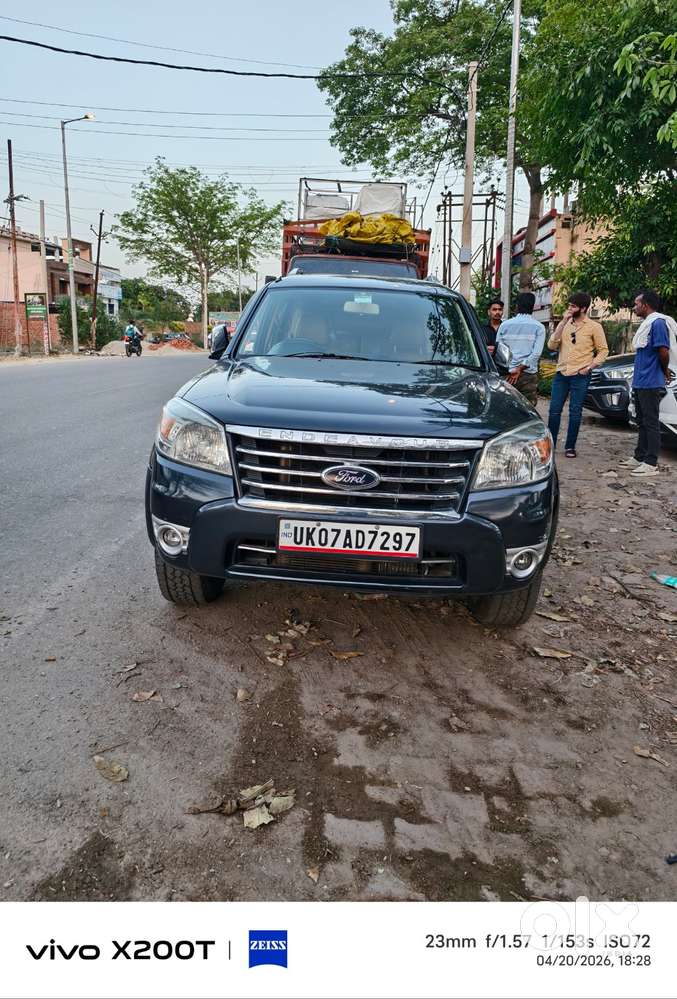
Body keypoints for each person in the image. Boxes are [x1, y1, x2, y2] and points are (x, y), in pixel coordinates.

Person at [619, 289, 676, 478]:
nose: (634, 307)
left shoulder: (657, 323)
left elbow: (663, 350)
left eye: (636, 304)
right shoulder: (647, 323)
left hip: (651, 381)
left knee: (651, 422)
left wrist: (665, 370)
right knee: (642, 421)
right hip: (641, 381)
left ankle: (651, 462)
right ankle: (639, 457)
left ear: (645, 305)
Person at [546, 292, 609, 458]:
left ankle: (570, 446)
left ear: (583, 308)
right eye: (569, 305)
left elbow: (603, 351)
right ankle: (550, 445)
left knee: (575, 412)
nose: (569, 308)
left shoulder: (594, 327)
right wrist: (562, 323)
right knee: (554, 410)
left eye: (573, 306)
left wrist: (589, 367)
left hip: (581, 375)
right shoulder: (565, 324)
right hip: (562, 373)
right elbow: (551, 346)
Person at [494, 291, 545, 406]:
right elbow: (536, 354)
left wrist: (513, 369)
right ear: (533, 307)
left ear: (517, 306)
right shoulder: (539, 327)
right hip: (528, 375)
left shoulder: (504, 325)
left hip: (507, 373)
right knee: (528, 411)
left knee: (505, 407)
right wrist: (520, 369)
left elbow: (499, 350)